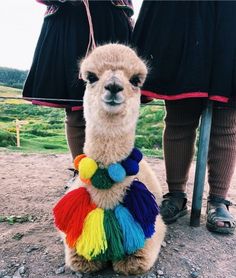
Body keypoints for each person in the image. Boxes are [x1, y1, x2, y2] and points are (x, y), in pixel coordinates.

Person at [133, 0, 236, 234]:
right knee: (179, 112)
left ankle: (218, 200)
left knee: (226, 118)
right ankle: (176, 195)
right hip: (180, 13)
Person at [23, 0, 133, 161]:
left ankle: (116, 172)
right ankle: (82, 173)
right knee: (76, 109)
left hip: (111, 22)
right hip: (69, 25)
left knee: (116, 108)